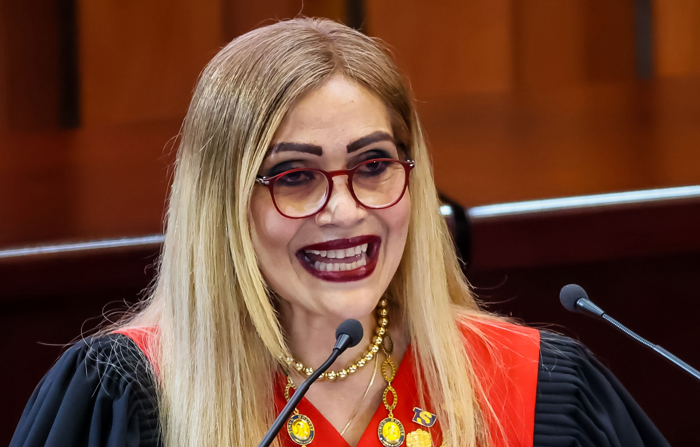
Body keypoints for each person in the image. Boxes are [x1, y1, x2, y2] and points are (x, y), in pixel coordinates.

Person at [11, 18, 669, 447]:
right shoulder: (125, 400)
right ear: (224, 205)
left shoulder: (537, 388)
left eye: (373, 165)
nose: (344, 209)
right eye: (295, 176)